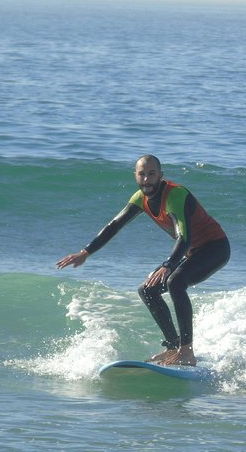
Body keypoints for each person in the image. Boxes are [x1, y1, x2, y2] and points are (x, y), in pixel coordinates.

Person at [56, 155, 230, 366]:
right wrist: (86, 252)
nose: (146, 179)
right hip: (191, 251)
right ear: (135, 176)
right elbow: (114, 226)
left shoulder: (176, 195)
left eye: (151, 174)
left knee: (175, 281)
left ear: (161, 175)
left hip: (215, 248)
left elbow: (184, 237)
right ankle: (173, 346)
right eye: (142, 174)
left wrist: (167, 265)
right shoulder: (140, 198)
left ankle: (187, 351)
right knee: (147, 290)